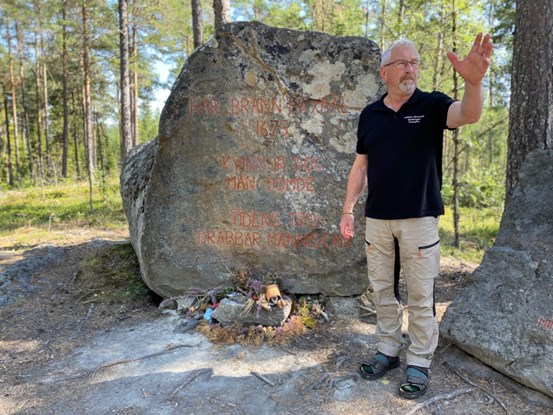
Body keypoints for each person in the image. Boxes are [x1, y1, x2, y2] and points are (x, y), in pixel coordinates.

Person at [339, 33, 493, 399]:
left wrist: (473, 83)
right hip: (377, 218)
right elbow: (361, 166)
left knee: (421, 295)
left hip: (419, 217)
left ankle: (419, 361)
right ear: (384, 72)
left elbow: (468, 114)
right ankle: (388, 351)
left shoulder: (433, 104)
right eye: (402, 63)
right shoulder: (370, 114)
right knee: (382, 289)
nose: (411, 69)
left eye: (415, 63)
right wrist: (348, 209)